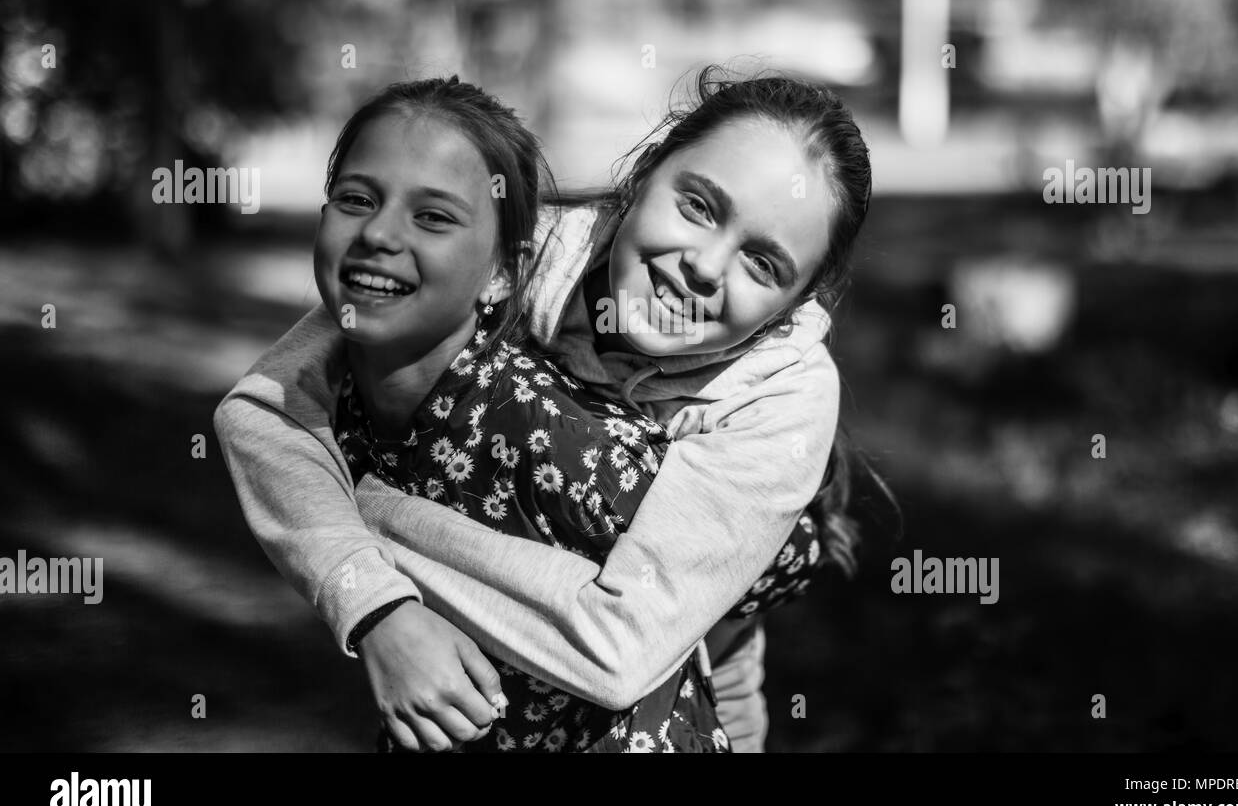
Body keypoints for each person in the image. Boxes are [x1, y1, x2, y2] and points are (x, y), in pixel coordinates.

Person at [215, 65, 880, 752]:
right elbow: (269, 408)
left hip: (697, 655)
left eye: (763, 264)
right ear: (644, 175)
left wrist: (378, 518)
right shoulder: (529, 251)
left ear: (791, 309)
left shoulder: (784, 392)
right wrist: (374, 606)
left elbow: (620, 648)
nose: (705, 266)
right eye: (698, 206)